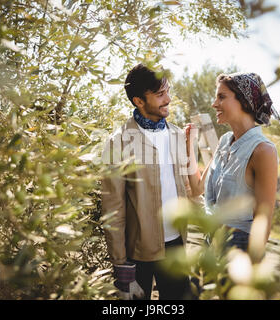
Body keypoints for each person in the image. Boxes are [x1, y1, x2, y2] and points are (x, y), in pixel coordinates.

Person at [101, 63, 192, 300]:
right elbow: (113, 210)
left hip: (176, 247)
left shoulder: (177, 136)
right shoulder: (117, 143)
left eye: (168, 91)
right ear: (139, 101)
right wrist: (121, 269)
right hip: (137, 255)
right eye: (160, 94)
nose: (168, 99)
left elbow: (187, 190)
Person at [185, 72, 279, 259]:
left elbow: (263, 221)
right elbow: (196, 189)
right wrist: (189, 145)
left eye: (222, 97)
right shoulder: (224, 141)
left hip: (238, 251)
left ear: (244, 101)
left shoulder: (263, 151)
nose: (214, 104)